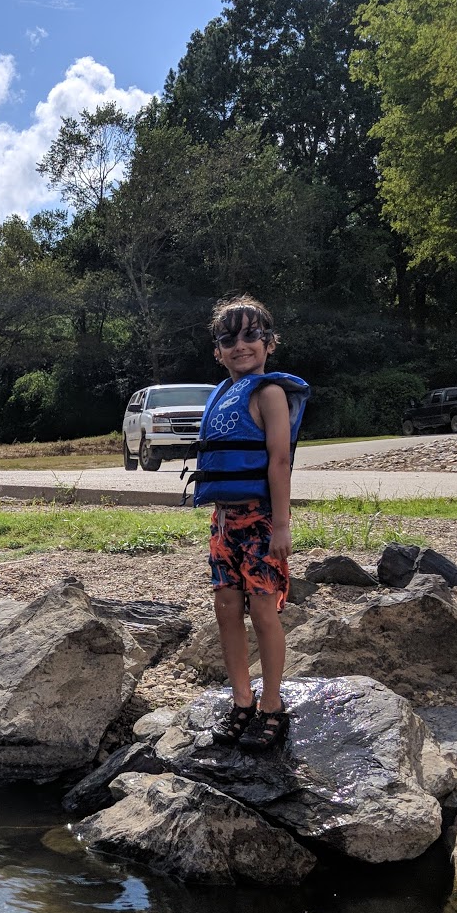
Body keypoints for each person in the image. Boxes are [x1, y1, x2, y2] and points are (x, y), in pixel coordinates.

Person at [189, 296, 309, 750]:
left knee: (262, 610)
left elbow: (279, 462)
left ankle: (272, 705)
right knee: (225, 609)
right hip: (224, 522)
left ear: (269, 343)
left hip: (261, 522)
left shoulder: (270, 393)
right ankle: (242, 699)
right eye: (228, 339)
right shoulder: (220, 394)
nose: (241, 345)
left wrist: (282, 525)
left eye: (250, 335)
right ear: (217, 351)